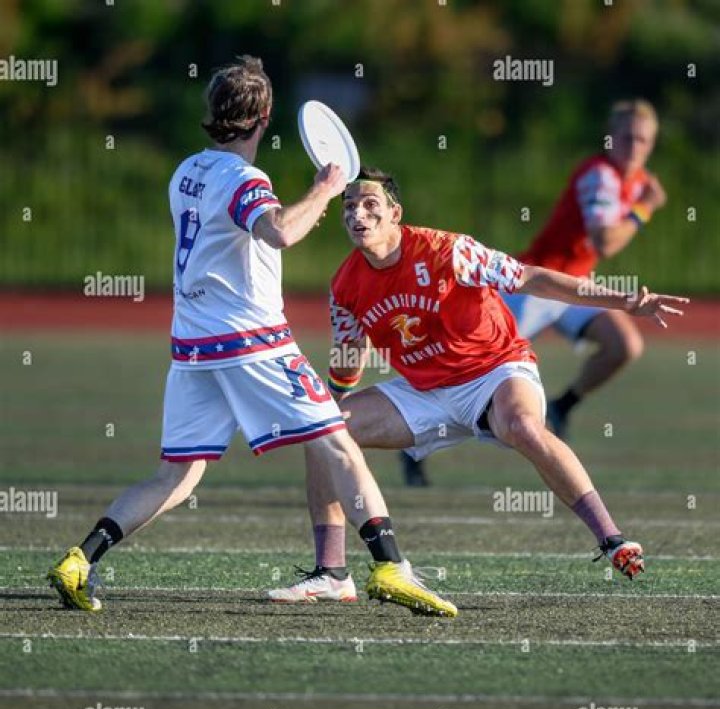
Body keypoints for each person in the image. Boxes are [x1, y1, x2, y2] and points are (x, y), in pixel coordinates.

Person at [47, 57, 457, 618]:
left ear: (213, 114)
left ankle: (81, 559)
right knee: (337, 438)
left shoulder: (186, 170)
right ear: (264, 118)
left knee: (177, 475)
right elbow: (281, 231)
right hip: (251, 342)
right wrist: (324, 187)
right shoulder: (245, 180)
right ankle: (390, 566)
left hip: (192, 347)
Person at [271, 166, 687, 599]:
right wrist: (326, 406)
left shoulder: (448, 251)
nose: (358, 214)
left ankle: (613, 539)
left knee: (524, 427)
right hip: (425, 391)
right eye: (350, 206)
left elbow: (531, 277)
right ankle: (333, 573)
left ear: (396, 213)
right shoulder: (345, 284)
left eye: (370, 204)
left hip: (494, 370)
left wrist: (624, 301)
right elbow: (348, 355)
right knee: (326, 433)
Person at [401, 99, 666, 486]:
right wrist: (644, 210)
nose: (634, 147)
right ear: (610, 138)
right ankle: (413, 445)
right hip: (534, 287)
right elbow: (605, 240)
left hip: (572, 289)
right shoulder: (600, 175)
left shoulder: (638, 180)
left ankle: (560, 407)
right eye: (626, 137)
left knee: (624, 344)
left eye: (643, 140)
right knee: (471, 375)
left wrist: (642, 201)